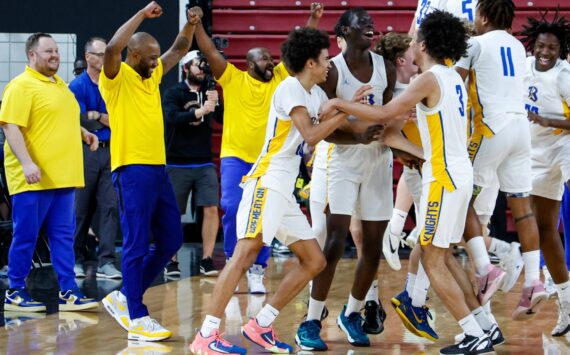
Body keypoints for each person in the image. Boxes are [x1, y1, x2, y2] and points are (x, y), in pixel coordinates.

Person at [325, 10, 498, 354]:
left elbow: (385, 114)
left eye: (417, 36)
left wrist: (339, 103)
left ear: (424, 43)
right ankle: (484, 327)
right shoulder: (451, 77)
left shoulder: (429, 79)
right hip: (457, 174)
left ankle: (471, 334)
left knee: (433, 261)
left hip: (443, 179)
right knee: (442, 256)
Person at [190, 25, 351, 355]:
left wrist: (360, 117)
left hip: (284, 190)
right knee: (243, 256)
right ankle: (205, 335)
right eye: (324, 59)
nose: (329, 65)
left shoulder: (315, 94)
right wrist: (346, 110)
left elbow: (329, 124)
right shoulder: (290, 88)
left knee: (314, 260)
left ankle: (261, 323)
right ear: (309, 63)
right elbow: (310, 135)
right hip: (266, 182)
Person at [192, 2, 324, 294]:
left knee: (268, 217)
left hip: (271, 161)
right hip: (236, 157)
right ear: (250, 64)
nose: (270, 62)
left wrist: (313, 18)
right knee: (232, 207)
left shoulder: (279, 78)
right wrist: (196, 24)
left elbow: (299, 46)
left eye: (269, 57)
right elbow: (211, 52)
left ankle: (257, 268)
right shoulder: (234, 78)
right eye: (263, 59)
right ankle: (233, 259)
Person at [99, 1, 199, 341]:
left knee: (171, 239)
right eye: (151, 57)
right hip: (131, 170)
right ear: (134, 54)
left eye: (157, 56)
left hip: (158, 169)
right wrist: (142, 14)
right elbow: (112, 47)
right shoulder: (115, 77)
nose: (158, 62)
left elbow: (180, 47)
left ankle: (126, 297)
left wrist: (191, 24)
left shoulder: (151, 75)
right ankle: (137, 315)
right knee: (137, 243)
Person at [455, 0, 547, 318]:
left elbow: (453, 83)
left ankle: (485, 269)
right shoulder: (518, 47)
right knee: (522, 209)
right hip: (521, 131)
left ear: (482, 16)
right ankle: (534, 281)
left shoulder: (474, 44)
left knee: (460, 199)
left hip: (490, 130)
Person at [0, 32, 99, 312]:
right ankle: (15, 291)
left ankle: (68, 291)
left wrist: (82, 133)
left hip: (62, 177)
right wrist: (27, 163)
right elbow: (10, 127)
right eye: (48, 51)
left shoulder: (59, 86)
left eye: (56, 50)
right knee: (26, 236)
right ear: (32, 55)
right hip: (33, 179)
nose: (55, 55)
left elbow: (56, 120)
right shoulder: (21, 86)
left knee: (63, 238)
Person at [521, 12, 570, 336]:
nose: (545, 52)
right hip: (534, 153)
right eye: (541, 46)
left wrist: (549, 123)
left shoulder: (565, 75)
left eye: (552, 47)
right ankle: (567, 306)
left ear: (560, 50)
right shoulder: (524, 68)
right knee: (544, 228)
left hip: (564, 144)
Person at [162, 49, 223, 277]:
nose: (202, 69)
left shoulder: (210, 91)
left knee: (210, 207)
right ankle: (171, 260)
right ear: (186, 68)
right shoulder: (173, 93)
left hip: (204, 161)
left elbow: (222, 119)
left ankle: (206, 259)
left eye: (204, 65)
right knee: (173, 212)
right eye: (198, 65)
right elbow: (173, 119)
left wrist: (216, 105)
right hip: (177, 162)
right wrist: (200, 111)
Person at [69, 37, 121, 280]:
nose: (105, 59)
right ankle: (75, 258)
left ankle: (107, 261)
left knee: (110, 206)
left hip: (111, 149)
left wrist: (96, 114)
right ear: (88, 57)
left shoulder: (114, 83)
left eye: (106, 54)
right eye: (100, 54)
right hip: (86, 149)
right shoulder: (77, 86)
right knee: (81, 207)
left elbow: (119, 119)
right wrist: (100, 117)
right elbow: (79, 119)